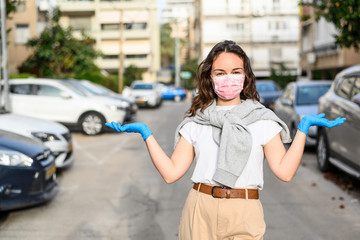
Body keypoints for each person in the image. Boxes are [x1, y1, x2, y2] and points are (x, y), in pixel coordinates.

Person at [105, 40, 346, 240]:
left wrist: (302, 131)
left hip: (244, 209)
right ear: (210, 77)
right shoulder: (196, 121)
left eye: (235, 72)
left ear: (246, 76)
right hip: (200, 207)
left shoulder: (262, 119)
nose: (227, 78)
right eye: (220, 73)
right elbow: (171, 173)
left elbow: (284, 172)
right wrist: (147, 134)